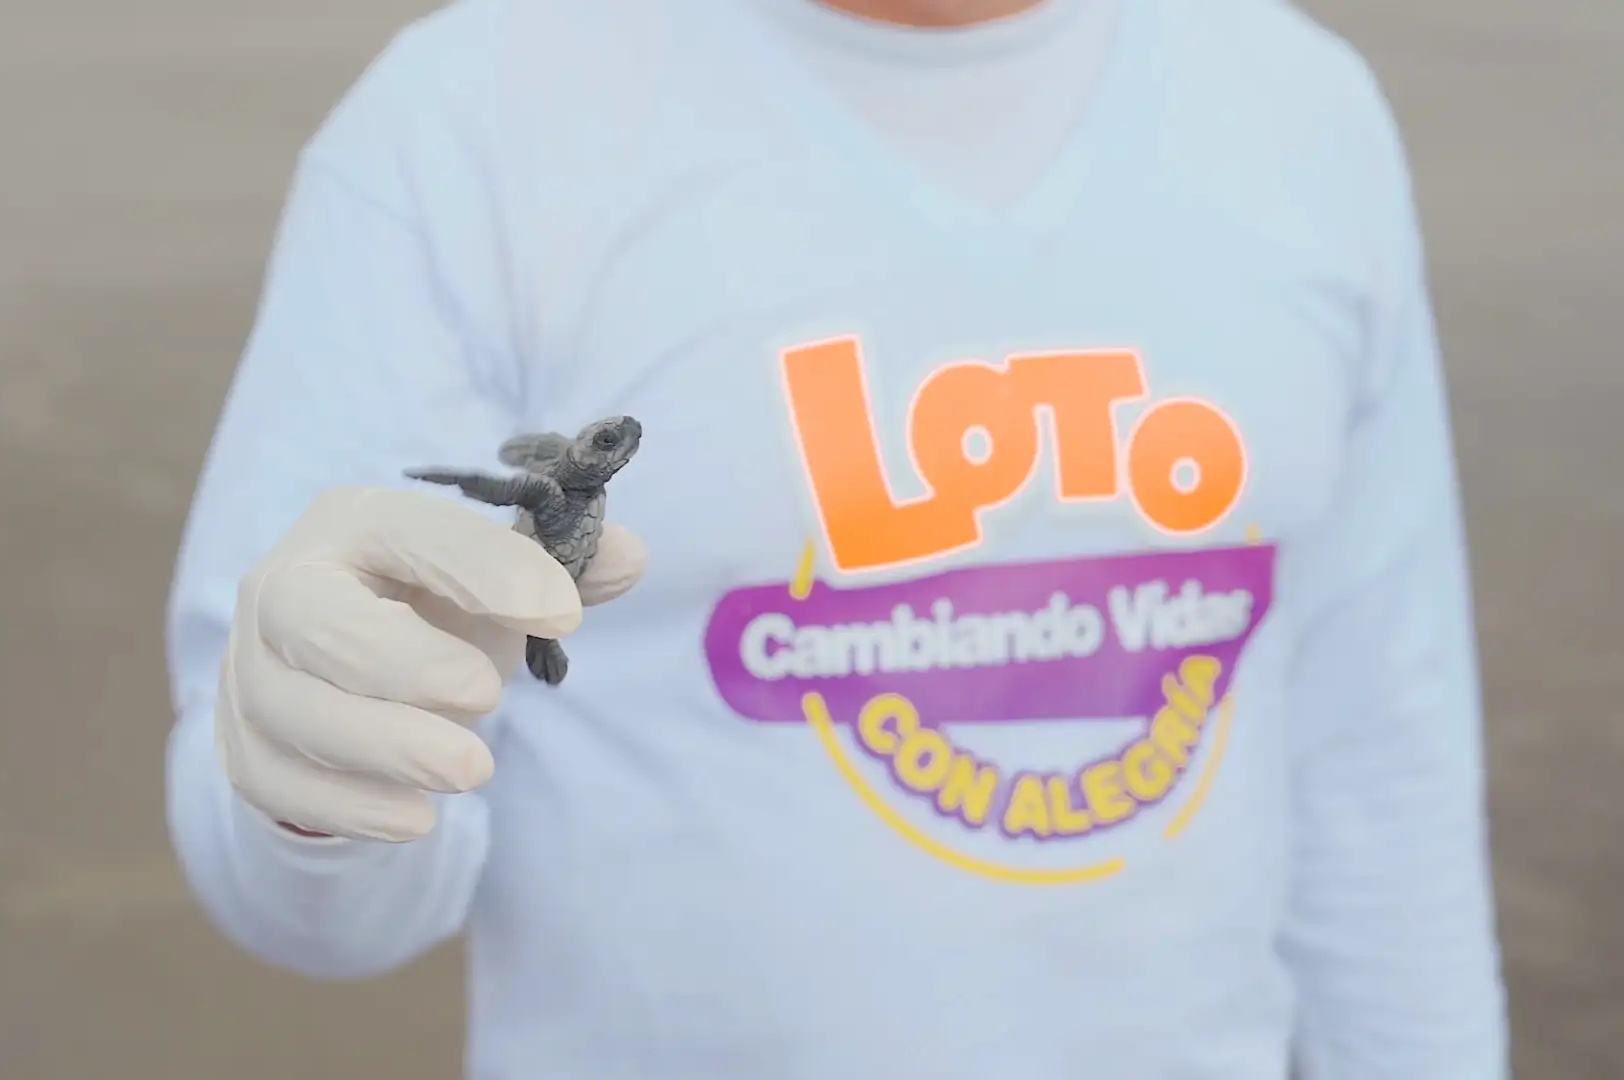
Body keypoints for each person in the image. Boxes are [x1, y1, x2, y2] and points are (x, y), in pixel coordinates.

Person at [162, 0, 1511, 1075]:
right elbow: (317, 912)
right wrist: (299, 789)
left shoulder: (1302, 112)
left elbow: (1381, 777)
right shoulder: (465, 124)